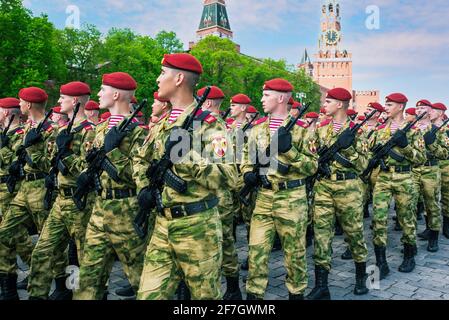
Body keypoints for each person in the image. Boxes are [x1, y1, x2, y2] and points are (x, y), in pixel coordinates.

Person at [136, 53, 229, 300]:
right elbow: (141, 160)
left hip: (197, 227)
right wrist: (144, 188)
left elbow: (228, 176)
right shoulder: (162, 123)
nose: (157, 79)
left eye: (162, 73)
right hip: (162, 224)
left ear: (178, 78)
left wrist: (187, 156)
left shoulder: (211, 124)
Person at [73, 72, 148, 300]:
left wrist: (112, 152)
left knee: (140, 277)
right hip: (99, 207)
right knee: (88, 276)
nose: (98, 94)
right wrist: (84, 173)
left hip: (126, 209)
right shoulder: (101, 127)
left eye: (102, 89)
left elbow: (139, 176)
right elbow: (85, 160)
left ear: (116, 94)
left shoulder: (138, 132)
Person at [242, 78, 317, 300]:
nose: (262, 99)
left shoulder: (302, 131)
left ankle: (296, 293)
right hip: (264, 197)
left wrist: (290, 151)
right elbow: (247, 156)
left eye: (267, 95)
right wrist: (248, 172)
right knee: (256, 251)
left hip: (291, 198)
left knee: (294, 253)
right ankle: (254, 297)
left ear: (281, 98)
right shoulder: (257, 130)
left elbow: (313, 166)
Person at [27, 81, 96, 300]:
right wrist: (33, 146)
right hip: (59, 201)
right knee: (42, 252)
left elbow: (89, 170)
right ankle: (36, 295)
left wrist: (67, 156)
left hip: (80, 202)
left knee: (88, 260)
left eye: (62, 98)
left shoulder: (90, 132)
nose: (58, 101)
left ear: (75, 102)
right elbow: (48, 162)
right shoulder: (62, 130)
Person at [0, 87, 63, 300]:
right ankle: (9, 288)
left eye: (21, 102)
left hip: (41, 188)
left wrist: (31, 150)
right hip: (23, 188)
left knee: (50, 243)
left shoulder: (51, 129)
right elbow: (18, 159)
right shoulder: (28, 126)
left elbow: (51, 164)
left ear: (28, 105)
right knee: (5, 231)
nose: (19, 105)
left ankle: (62, 285)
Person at [307, 88, 369, 300]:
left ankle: (364, 277)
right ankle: (321, 286)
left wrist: (349, 149)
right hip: (324, 187)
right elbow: (312, 155)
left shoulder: (356, 131)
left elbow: (363, 165)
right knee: (322, 235)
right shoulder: (321, 129)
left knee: (355, 234)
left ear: (340, 104)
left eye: (329, 100)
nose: (325, 103)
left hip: (348, 188)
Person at [369, 93, 426, 278]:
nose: (386, 107)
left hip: (404, 177)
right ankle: (381, 262)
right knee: (378, 219)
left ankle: (409, 255)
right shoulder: (380, 129)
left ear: (400, 106)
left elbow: (421, 158)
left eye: (390, 104)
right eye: (386, 104)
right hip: (384, 177)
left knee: (406, 218)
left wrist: (406, 146)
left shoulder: (413, 130)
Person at [0, 98, 34, 294]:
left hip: (11, 189)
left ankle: (37, 269)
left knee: (16, 235)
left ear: (6, 113)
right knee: (7, 235)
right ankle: (7, 279)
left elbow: (18, 162)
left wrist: (4, 147)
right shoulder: (4, 133)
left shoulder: (21, 134)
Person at [412, 100, 447, 252]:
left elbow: (445, 153)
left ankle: (433, 237)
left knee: (431, 205)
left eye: (423, 108)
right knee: (410, 205)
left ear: (430, 111)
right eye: (417, 108)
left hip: (430, 170)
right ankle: (409, 241)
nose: (419, 110)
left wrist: (432, 143)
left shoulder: (437, 130)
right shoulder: (410, 129)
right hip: (412, 171)